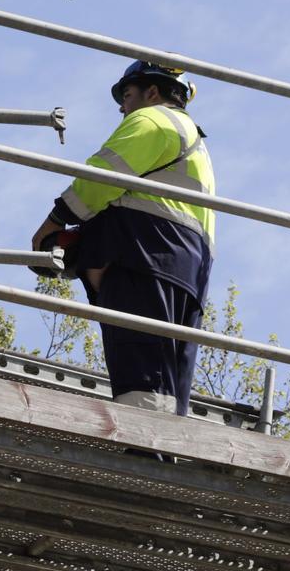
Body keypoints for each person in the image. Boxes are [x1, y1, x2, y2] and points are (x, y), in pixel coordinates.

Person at [31, 60, 215, 416]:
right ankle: (164, 457)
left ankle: (144, 453)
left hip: (146, 258)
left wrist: (52, 225)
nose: (122, 107)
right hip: (182, 268)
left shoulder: (153, 119)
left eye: (127, 95)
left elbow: (101, 178)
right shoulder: (193, 142)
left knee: (140, 372)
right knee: (169, 382)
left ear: (152, 92)